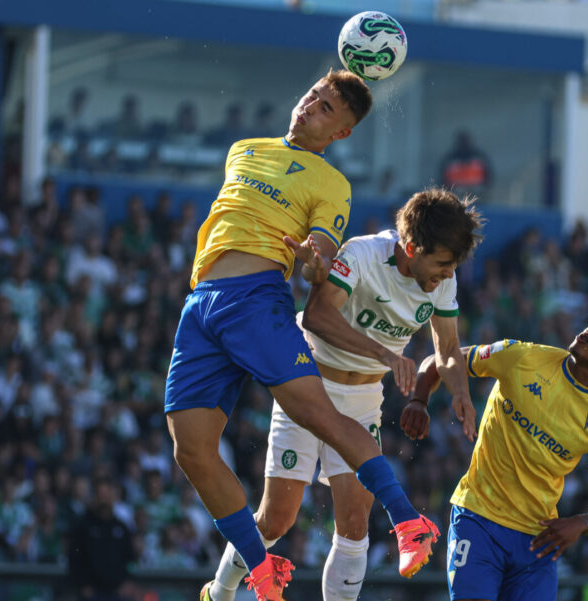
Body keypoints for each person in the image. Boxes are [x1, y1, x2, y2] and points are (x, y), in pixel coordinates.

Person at [164, 70, 438, 601]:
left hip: (255, 300)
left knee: (321, 416)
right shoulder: (243, 149)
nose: (312, 105)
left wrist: (313, 265)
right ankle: (259, 568)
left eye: (328, 108)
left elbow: (319, 258)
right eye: (314, 95)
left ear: (341, 134)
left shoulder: (332, 184)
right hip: (200, 305)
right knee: (190, 449)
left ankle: (407, 519)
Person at [202, 187, 484, 601]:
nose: (446, 274)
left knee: (354, 522)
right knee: (276, 521)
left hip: (364, 397)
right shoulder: (363, 255)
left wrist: (460, 391)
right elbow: (316, 316)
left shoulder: (443, 279)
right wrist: (386, 355)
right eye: (441, 264)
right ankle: (219, 594)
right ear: (411, 247)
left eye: (452, 266)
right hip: (307, 385)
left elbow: (446, 348)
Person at [405, 311, 588, 601]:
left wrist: (580, 523)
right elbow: (442, 359)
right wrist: (419, 401)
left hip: (538, 542)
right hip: (478, 519)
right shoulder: (522, 357)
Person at [68, 477, 137, 601]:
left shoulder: (121, 528)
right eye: (100, 495)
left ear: (113, 496)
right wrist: (83, 584)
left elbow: (130, 559)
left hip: (118, 593)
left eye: (107, 495)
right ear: (95, 497)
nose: (104, 500)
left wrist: (128, 581)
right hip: (92, 593)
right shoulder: (83, 526)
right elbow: (74, 557)